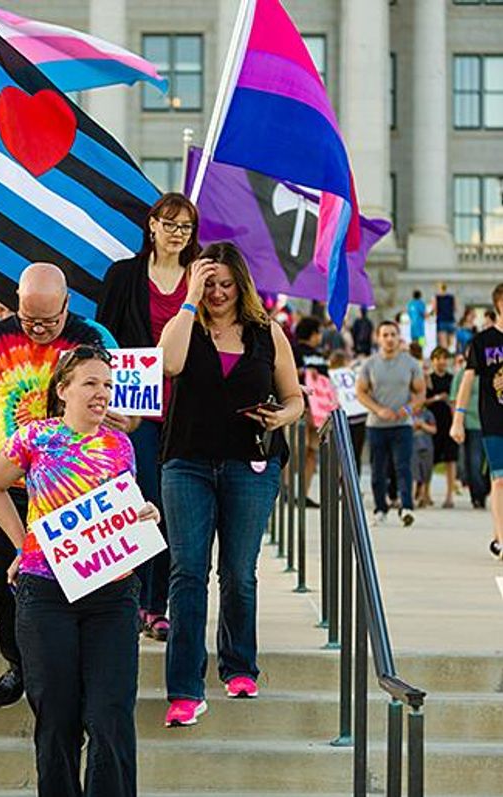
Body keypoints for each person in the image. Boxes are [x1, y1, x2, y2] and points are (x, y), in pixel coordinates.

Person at [0, 345, 159, 797]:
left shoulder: (120, 444)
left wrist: (144, 515)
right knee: (57, 719)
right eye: (90, 383)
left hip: (112, 596)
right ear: (63, 390)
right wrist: (23, 540)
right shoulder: (34, 437)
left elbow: (123, 508)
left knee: (110, 716)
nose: (102, 394)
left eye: (107, 384)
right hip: (46, 593)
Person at [157, 242, 304, 726]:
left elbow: (295, 398)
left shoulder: (268, 334)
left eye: (225, 283)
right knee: (187, 573)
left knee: (239, 572)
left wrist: (281, 415)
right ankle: (183, 687)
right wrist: (188, 299)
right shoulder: (186, 326)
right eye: (209, 283)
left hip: (251, 463)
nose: (218, 292)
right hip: (187, 463)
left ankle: (239, 665)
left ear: (241, 283)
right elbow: (169, 364)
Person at [0, 263, 119, 708]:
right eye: (29, 319)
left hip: (72, 488)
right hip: (8, 479)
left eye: (49, 322)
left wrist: (119, 418)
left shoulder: (92, 340)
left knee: (69, 588)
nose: (37, 330)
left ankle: (65, 673)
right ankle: (21, 664)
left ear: (68, 305)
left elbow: (125, 412)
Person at [96, 192, 202, 643]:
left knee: (174, 510)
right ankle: (131, 600)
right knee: (138, 503)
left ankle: (157, 606)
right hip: (134, 413)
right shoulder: (123, 276)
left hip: (187, 409)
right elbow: (102, 338)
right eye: (171, 223)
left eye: (186, 228)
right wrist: (107, 400)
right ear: (152, 224)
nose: (178, 234)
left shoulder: (199, 280)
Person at [451, 282, 503, 560]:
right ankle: (501, 537)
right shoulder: (483, 342)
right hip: (494, 419)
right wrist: (458, 419)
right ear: (498, 306)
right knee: (499, 480)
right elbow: (467, 381)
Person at [355, 321, 425, 527]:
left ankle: (406, 507)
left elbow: (420, 392)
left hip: (402, 424)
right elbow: (360, 392)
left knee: (403, 467)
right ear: (378, 338)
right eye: (385, 335)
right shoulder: (370, 364)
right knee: (378, 469)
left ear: (399, 337)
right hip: (376, 424)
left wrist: (409, 409)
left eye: (393, 334)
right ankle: (380, 508)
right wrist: (378, 409)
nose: (389, 339)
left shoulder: (410, 363)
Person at [293, 316, 329, 506]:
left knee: (311, 452)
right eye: (318, 332)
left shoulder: (320, 354)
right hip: (301, 407)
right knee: (297, 449)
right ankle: (287, 490)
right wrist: (303, 372)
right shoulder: (294, 350)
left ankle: (303, 493)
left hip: (318, 410)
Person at [425, 346, 459, 507]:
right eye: (438, 359)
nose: (442, 362)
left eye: (444, 358)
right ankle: (425, 493)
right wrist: (437, 398)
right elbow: (422, 401)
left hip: (449, 423)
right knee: (430, 459)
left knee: (451, 460)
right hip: (433, 423)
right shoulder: (428, 379)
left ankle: (449, 495)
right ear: (433, 361)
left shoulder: (452, 379)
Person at [451, 365, 488, 509]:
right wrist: (457, 422)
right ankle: (478, 495)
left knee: (493, 465)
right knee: (474, 462)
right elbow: (455, 399)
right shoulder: (463, 374)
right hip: (472, 423)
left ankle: (488, 488)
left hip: (493, 423)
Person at [411, 406, 437, 508]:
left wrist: (422, 425)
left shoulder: (427, 414)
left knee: (426, 472)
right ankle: (412, 497)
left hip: (427, 446)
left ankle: (423, 496)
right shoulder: (407, 412)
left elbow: (434, 429)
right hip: (412, 447)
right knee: (414, 473)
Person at [433, 282, 456, 351]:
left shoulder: (436, 297)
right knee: (451, 343)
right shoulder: (451, 297)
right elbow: (455, 308)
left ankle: (445, 358)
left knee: (443, 344)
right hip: (451, 320)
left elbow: (435, 309)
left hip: (441, 321)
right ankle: (451, 356)